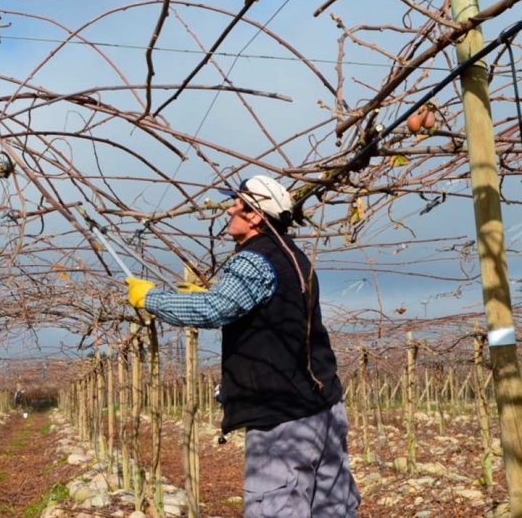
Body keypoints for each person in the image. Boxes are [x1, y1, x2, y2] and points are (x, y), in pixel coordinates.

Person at [126, 175, 360, 517]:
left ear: (255, 215)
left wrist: (151, 298)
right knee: (332, 508)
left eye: (237, 205)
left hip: (282, 417)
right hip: (323, 408)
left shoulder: (254, 259)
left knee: (276, 508)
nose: (229, 211)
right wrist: (209, 296)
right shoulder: (295, 259)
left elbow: (213, 310)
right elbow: (249, 306)